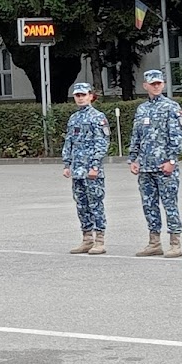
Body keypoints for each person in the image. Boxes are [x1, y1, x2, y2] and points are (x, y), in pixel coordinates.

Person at [128, 70, 182, 258]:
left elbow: (177, 136)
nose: (156, 86)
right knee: (149, 205)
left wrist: (171, 160)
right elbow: (136, 136)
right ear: (145, 86)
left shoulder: (171, 107)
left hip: (164, 167)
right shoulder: (142, 109)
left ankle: (175, 243)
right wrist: (133, 159)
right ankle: (154, 242)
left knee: (170, 204)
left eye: (159, 83)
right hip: (145, 166)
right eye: (152, 84)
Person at [62, 83, 109, 254]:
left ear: (90, 96)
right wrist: (67, 164)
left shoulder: (98, 117)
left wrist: (95, 165)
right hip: (77, 170)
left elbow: (102, 143)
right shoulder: (74, 118)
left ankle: (100, 240)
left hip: (92, 170)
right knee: (81, 205)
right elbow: (69, 142)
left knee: (95, 203)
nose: (80, 98)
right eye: (77, 95)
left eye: (83, 95)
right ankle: (87, 238)